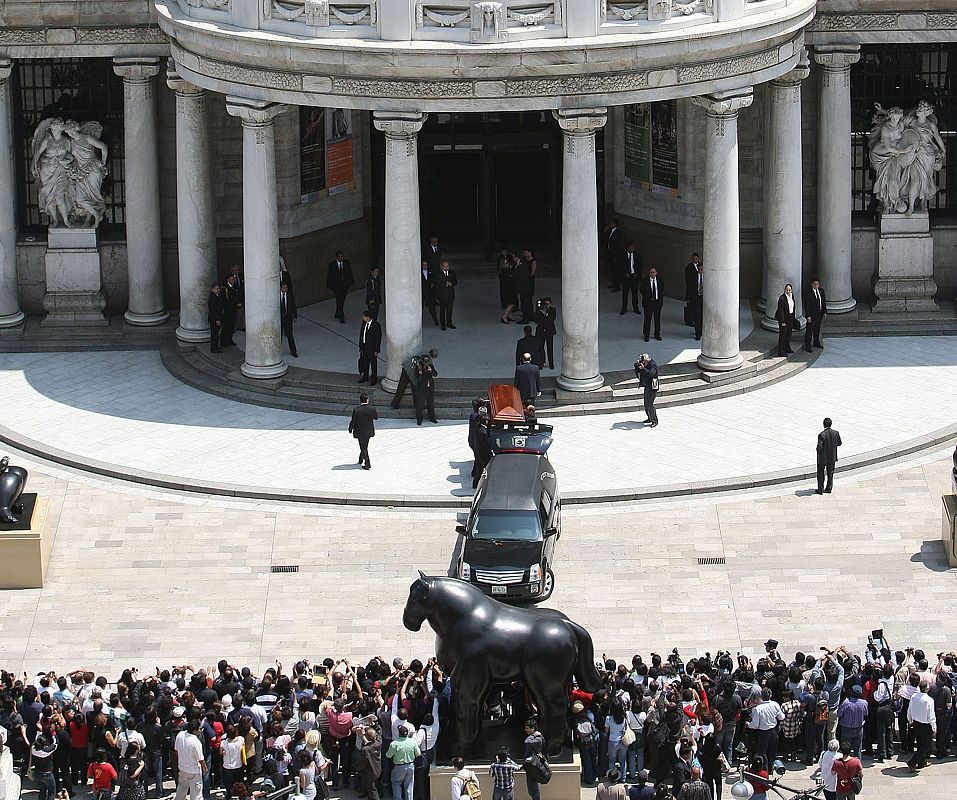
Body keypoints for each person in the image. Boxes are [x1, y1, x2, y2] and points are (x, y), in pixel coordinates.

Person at [747, 688, 784, 769]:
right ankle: (771, 768)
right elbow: (781, 717)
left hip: (763, 733)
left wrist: (748, 724)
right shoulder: (775, 704)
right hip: (773, 731)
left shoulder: (758, 709)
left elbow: (755, 725)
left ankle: (764, 770)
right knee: (772, 751)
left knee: (762, 753)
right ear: (770, 695)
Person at [907, 680, 936, 772]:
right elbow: (931, 715)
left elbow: (910, 710)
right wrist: (934, 727)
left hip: (916, 723)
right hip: (925, 725)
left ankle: (921, 762)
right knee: (926, 746)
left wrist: (910, 720)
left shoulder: (914, 697)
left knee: (920, 744)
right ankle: (913, 762)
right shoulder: (929, 700)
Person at [174, 720, 207, 800]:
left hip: (182, 768)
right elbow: (200, 759)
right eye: (199, 729)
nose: (200, 731)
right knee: (196, 793)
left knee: (181, 788)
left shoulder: (180, 735)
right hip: (194, 771)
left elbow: (176, 750)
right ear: (194, 730)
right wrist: (205, 768)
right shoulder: (196, 742)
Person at [385, 725, 420, 800]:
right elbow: (418, 754)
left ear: (399, 733)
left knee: (396, 783)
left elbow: (388, 755)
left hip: (398, 766)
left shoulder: (394, 744)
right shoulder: (413, 742)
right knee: (409, 785)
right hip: (410, 765)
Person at [836, 686, 867, 759]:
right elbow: (866, 713)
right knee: (858, 749)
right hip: (859, 728)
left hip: (847, 729)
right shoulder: (864, 703)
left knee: (845, 749)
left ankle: (846, 764)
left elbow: (839, 714)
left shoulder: (846, 703)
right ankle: (857, 764)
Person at [349, 393, 378, 470]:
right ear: (367, 400)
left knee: (363, 447)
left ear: (360, 400)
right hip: (368, 431)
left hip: (359, 431)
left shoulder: (356, 410)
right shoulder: (372, 409)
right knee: (364, 446)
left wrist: (350, 428)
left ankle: (367, 463)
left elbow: (353, 421)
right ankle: (360, 459)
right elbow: (376, 417)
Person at [815, 418, 842, 495]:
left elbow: (819, 447)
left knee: (821, 473)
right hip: (832, 457)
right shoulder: (836, 433)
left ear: (823, 424)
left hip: (823, 458)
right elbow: (839, 443)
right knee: (830, 473)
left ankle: (820, 489)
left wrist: (818, 451)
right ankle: (828, 488)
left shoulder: (821, 435)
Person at [326, 251, 354, 324]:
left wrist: (350, 283)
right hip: (337, 286)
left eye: (342, 256)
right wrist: (330, 286)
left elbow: (350, 273)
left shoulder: (347, 263)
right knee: (339, 300)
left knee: (342, 300)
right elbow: (330, 276)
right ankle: (342, 316)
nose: (342, 258)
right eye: (340, 257)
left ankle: (337, 313)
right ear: (337, 257)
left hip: (345, 286)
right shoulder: (332, 265)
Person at [355, 726, 382, 800]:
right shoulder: (378, 742)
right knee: (375, 785)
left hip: (369, 772)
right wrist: (375, 724)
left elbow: (362, 762)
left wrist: (357, 769)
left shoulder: (366, 749)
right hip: (377, 769)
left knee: (372, 791)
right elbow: (379, 733)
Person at [358, 309, 382, 385]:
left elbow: (378, 338)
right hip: (365, 347)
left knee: (373, 364)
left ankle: (374, 378)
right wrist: (361, 346)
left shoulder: (376, 325)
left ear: (368, 317)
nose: (363, 318)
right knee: (365, 362)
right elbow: (361, 335)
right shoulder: (364, 323)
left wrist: (376, 350)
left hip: (372, 348)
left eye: (364, 316)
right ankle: (365, 376)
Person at [523, 719, 545, 800]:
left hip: (534, 764)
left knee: (534, 788)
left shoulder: (536, 738)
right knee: (531, 788)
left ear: (533, 728)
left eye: (528, 728)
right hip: (530, 764)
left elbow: (527, 742)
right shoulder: (535, 737)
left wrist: (534, 736)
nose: (526, 730)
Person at [635, 354, 659, 428]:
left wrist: (643, 368)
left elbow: (651, 374)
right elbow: (638, 371)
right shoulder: (644, 364)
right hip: (647, 385)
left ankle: (654, 420)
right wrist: (638, 367)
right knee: (646, 403)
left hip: (652, 386)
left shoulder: (653, 364)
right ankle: (649, 418)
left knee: (650, 404)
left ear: (647, 360)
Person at [640, 267, 663, 342]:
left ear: (656, 273)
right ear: (649, 273)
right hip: (648, 303)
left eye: (653, 272)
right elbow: (642, 290)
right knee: (647, 319)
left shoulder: (660, 280)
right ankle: (646, 335)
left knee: (657, 319)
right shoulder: (645, 281)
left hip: (657, 302)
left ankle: (657, 334)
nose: (652, 273)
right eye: (651, 272)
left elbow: (662, 289)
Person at [414, 355, 438, 426]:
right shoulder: (418, 368)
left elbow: (435, 374)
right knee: (420, 405)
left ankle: (432, 418)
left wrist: (431, 370)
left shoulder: (430, 366)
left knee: (430, 404)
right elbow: (418, 380)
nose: (425, 364)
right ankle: (419, 419)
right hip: (421, 390)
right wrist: (420, 372)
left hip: (429, 388)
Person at [774, 283, 797, 357]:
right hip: (783, 319)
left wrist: (793, 318)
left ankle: (787, 348)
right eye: (787, 290)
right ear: (785, 290)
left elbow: (793, 307)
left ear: (791, 290)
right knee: (783, 335)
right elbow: (781, 311)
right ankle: (781, 351)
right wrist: (782, 321)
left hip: (790, 317)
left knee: (789, 334)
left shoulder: (792, 296)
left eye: (789, 290)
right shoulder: (782, 298)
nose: (788, 291)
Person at [804, 278, 826, 353]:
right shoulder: (808, 292)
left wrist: (824, 312)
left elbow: (823, 302)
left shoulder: (821, 291)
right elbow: (806, 305)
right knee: (809, 330)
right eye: (815, 284)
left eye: (817, 284)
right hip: (812, 315)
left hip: (819, 314)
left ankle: (816, 342)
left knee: (817, 329)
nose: (816, 286)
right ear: (812, 284)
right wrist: (808, 316)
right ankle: (807, 345)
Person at [534, 298, 557, 370]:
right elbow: (536, 321)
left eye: (548, 304)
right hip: (541, 332)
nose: (546, 306)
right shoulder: (538, 310)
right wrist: (540, 313)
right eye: (545, 304)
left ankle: (551, 364)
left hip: (549, 331)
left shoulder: (553, 310)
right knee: (540, 347)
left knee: (550, 348)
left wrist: (545, 315)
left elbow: (551, 319)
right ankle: (541, 363)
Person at [620, 244, 642, 315]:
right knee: (625, 294)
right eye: (631, 248)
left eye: (633, 248)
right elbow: (620, 266)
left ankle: (636, 308)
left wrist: (637, 273)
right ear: (627, 248)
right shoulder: (622, 256)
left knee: (635, 294)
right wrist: (625, 273)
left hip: (634, 277)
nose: (632, 249)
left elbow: (640, 265)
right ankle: (624, 308)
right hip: (626, 278)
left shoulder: (637, 255)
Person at [435, 260, 458, 330]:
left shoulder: (452, 273)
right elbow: (437, 284)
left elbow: (455, 282)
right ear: (442, 267)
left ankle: (449, 323)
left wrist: (451, 284)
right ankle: (443, 325)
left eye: (447, 266)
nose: (446, 267)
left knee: (450, 310)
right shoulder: (438, 274)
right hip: (442, 295)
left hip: (450, 295)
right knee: (442, 311)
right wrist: (445, 284)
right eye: (445, 266)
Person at [222, 272, 242, 347]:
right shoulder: (225, 288)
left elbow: (238, 295)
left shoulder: (235, 286)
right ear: (228, 280)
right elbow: (224, 300)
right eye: (232, 280)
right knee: (226, 326)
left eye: (233, 279)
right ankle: (224, 341)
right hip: (227, 311)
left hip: (234, 309)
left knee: (232, 326)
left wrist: (238, 302)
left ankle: (230, 339)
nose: (233, 281)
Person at [513, 255, 533, 324]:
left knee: (525, 303)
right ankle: (529, 317)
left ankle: (525, 319)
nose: (513, 259)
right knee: (527, 303)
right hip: (525, 287)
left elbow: (515, 274)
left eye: (514, 257)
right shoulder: (523, 263)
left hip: (524, 288)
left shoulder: (522, 265)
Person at [280, 281, 298, 358]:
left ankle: (293, 351)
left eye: (286, 287)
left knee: (290, 335)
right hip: (280, 318)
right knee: (278, 336)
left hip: (288, 318)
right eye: (284, 288)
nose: (286, 289)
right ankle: (276, 352)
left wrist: (295, 316)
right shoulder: (276, 296)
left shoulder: (289, 295)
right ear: (280, 288)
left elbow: (293, 306)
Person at [498, 255, 517, 324]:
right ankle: (505, 316)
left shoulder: (505, 271)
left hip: (508, 289)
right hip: (508, 289)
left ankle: (509, 315)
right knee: (511, 303)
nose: (507, 264)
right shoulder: (506, 272)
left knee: (510, 303)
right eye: (506, 263)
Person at [604, 219, 623, 292]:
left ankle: (617, 285)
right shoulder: (610, 231)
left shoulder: (617, 233)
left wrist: (616, 256)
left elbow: (617, 245)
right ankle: (613, 283)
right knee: (611, 269)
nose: (610, 225)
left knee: (615, 271)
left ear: (615, 224)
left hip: (614, 255)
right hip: (610, 253)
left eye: (611, 223)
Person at [683, 253, 701, 328]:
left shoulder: (701, 265)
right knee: (692, 307)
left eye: (696, 258)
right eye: (694, 258)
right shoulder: (688, 268)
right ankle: (690, 321)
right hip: (692, 291)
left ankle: (698, 321)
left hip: (700, 290)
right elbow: (688, 281)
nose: (695, 260)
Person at [207, 282, 225, 354]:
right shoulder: (212, 297)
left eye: (219, 288)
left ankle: (216, 346)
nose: (219, 290)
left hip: (218, 318)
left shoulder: (217, 295)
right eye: (217, 289)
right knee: (214, 334)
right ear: (213, 289)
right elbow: (213, 310)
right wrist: (217, 319)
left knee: (216, 333)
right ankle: (213, 348)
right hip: (214, 319)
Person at [421, 260, 439, 326]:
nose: (425, 266)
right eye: (423, 265)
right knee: (420, 308)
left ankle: (435, 321)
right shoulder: (419, 273)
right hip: (422, 293)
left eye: (426, 265)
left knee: (432, 308)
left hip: (429, 293)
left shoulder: (431, 273)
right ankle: (419, 321)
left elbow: (434, 281)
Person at [691, 264, 704, 341]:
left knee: (703, 316)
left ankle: (702, 331)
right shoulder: (694, 278)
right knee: (697, 316)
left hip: (704, 299)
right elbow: (691, 288)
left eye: (702, 269)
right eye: (700, 269)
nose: (701, 271)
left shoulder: (707, 278)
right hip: (696, 298)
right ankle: (698, 333)